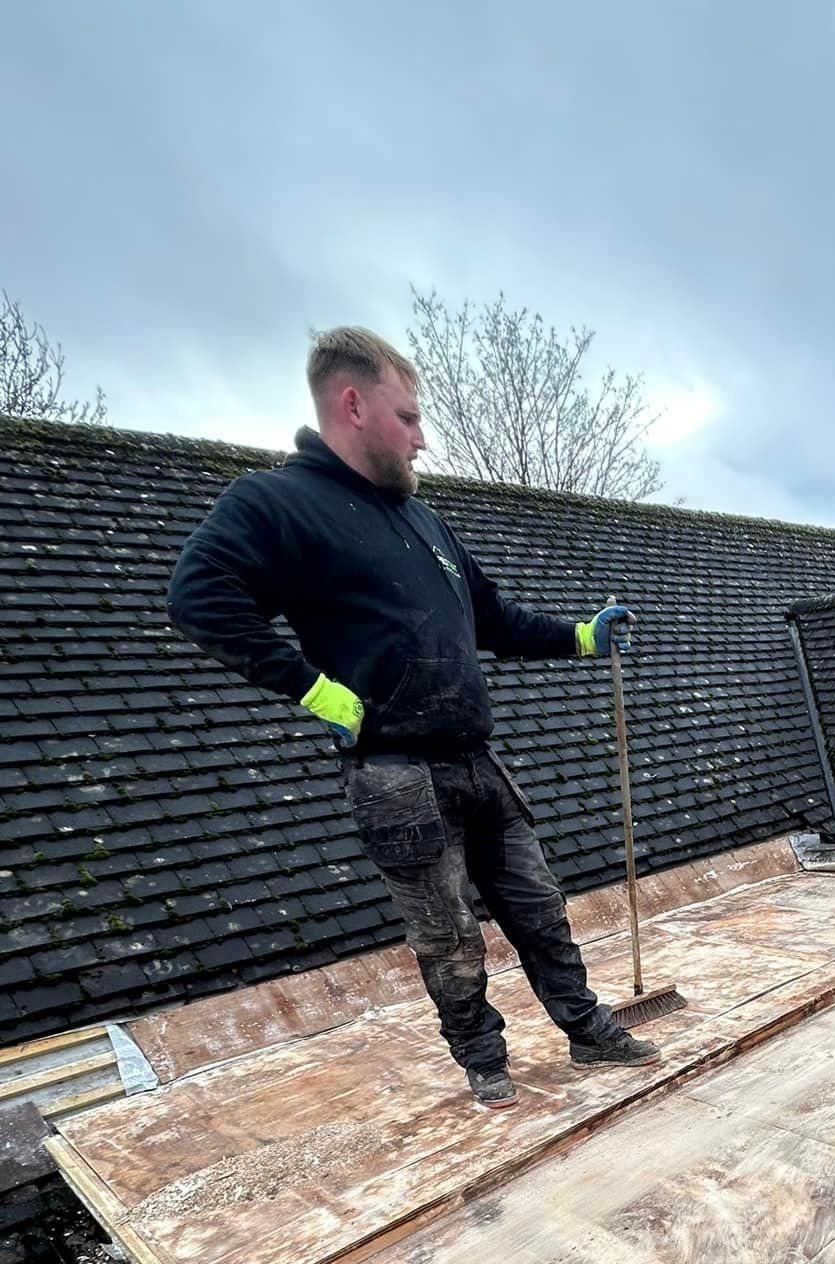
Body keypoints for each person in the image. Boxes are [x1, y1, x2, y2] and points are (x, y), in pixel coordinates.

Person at [167, 325, 657, 1109]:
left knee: (540, 909)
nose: (423, 438)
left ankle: (588, 1030)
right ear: (353, 404)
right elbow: (198, 595)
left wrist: (579, 637)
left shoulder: (423, 523)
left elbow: (491, 617)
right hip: (393, 773)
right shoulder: (278, 503)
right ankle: (485, 1063)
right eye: (409, 418)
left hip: (474, 758)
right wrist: (312, 687)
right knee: (449, 938)